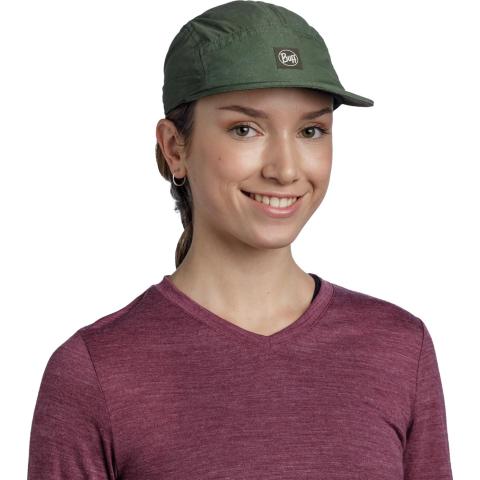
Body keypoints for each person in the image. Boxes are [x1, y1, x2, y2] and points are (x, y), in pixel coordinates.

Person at [27, 1, 453, 479]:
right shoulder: (94, 373)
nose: (285, 169)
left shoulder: (399, 349)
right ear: (175, 148)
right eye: (245, 129)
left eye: (311, 130)